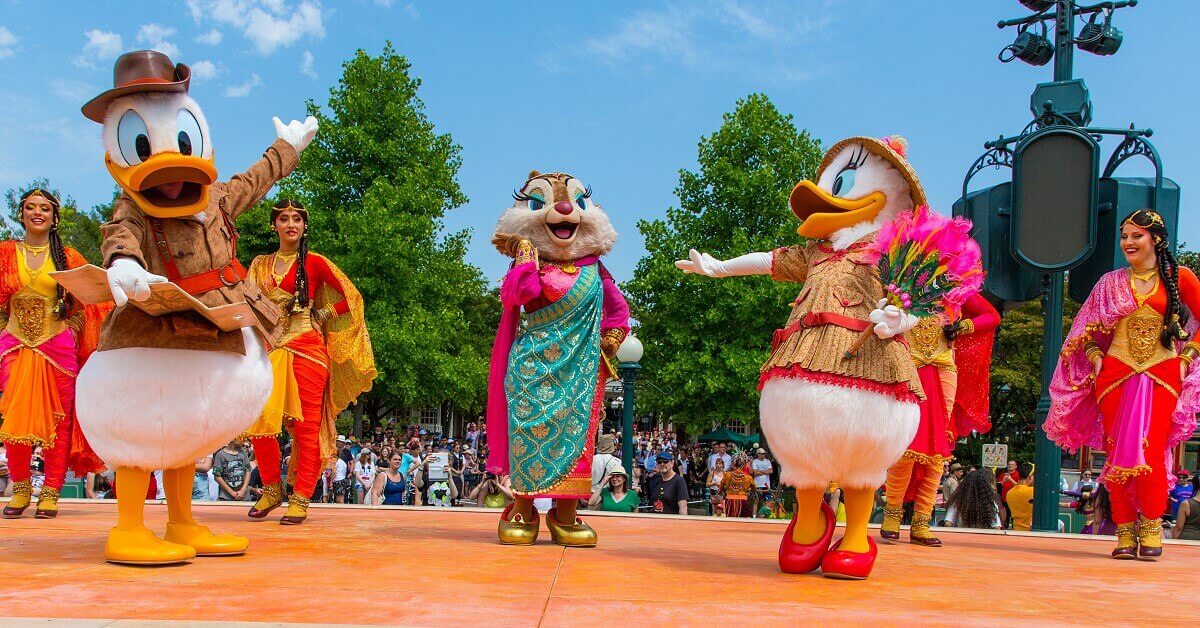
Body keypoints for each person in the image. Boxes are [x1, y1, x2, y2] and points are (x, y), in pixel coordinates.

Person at [486, 171, 630, 548]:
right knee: (530, 432)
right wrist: (524, 258)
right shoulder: (532, 262)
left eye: (576, 202)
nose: (564, 210)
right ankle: (523, 507)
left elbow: (618, 310)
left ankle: (565, 511)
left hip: (580, 370)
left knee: (578, 438)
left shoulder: (595, 270)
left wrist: (613, 337)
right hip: (533, 368)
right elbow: (519, 295)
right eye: (542, 202)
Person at [1046, 208, 1200, 559]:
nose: (1128, 242)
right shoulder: (1110, 283)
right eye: (1124, 236)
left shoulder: (1181, 278)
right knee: (1117, 452)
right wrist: (1094, 355)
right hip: (1114, 377)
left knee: (1152, 449)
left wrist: (1187, 357)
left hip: (1163, 374)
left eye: (1136, 236)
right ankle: (1125, 532)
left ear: (1156, 240)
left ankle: (1151, 529)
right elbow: (1086, 331)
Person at [244, 199, 377, 524]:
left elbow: (352, 298)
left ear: (304, 227)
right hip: (271, 351)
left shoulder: (314, 263)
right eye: (284, 218)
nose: (291, 224)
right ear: (274, 224)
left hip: (308, 349)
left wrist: (322, 312)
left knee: (306, 429)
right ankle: (272, 489)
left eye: (297, 219)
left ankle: (301, 496)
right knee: (260, 423)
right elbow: (246, 304)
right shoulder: (260, 264)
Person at [0, 188, 106, 519]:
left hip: (57, 346)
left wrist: (73, 328)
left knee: (58, 422)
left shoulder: (69, 257)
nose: (37, 212)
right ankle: (19, 490)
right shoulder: (4, 253)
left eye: (44, 208)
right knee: (15, 417)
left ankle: (50, 492)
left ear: (54, 216)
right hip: (14, 343)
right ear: (21, 214)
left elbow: (89, 301)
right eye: (30, 207)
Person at [882, 293, 998, 547]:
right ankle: (892, 511)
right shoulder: (901, 277)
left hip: (944, 369)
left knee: (939, 446)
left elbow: (991, 316)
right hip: (906, 367)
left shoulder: (956, 286)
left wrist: (962, 326)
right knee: (906, 441)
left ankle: (921, 522)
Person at [1005, 462, 1035, 532]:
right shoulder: (1033, 491)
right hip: (1032, 531)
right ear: (1030, 477)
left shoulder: (1009, 493)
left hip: (1016, 530)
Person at [1174, 473, 1200, 541]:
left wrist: (1173, 540)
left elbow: (1179, 527)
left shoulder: (1186, 504)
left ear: (1194, 485)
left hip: (1187, 539)